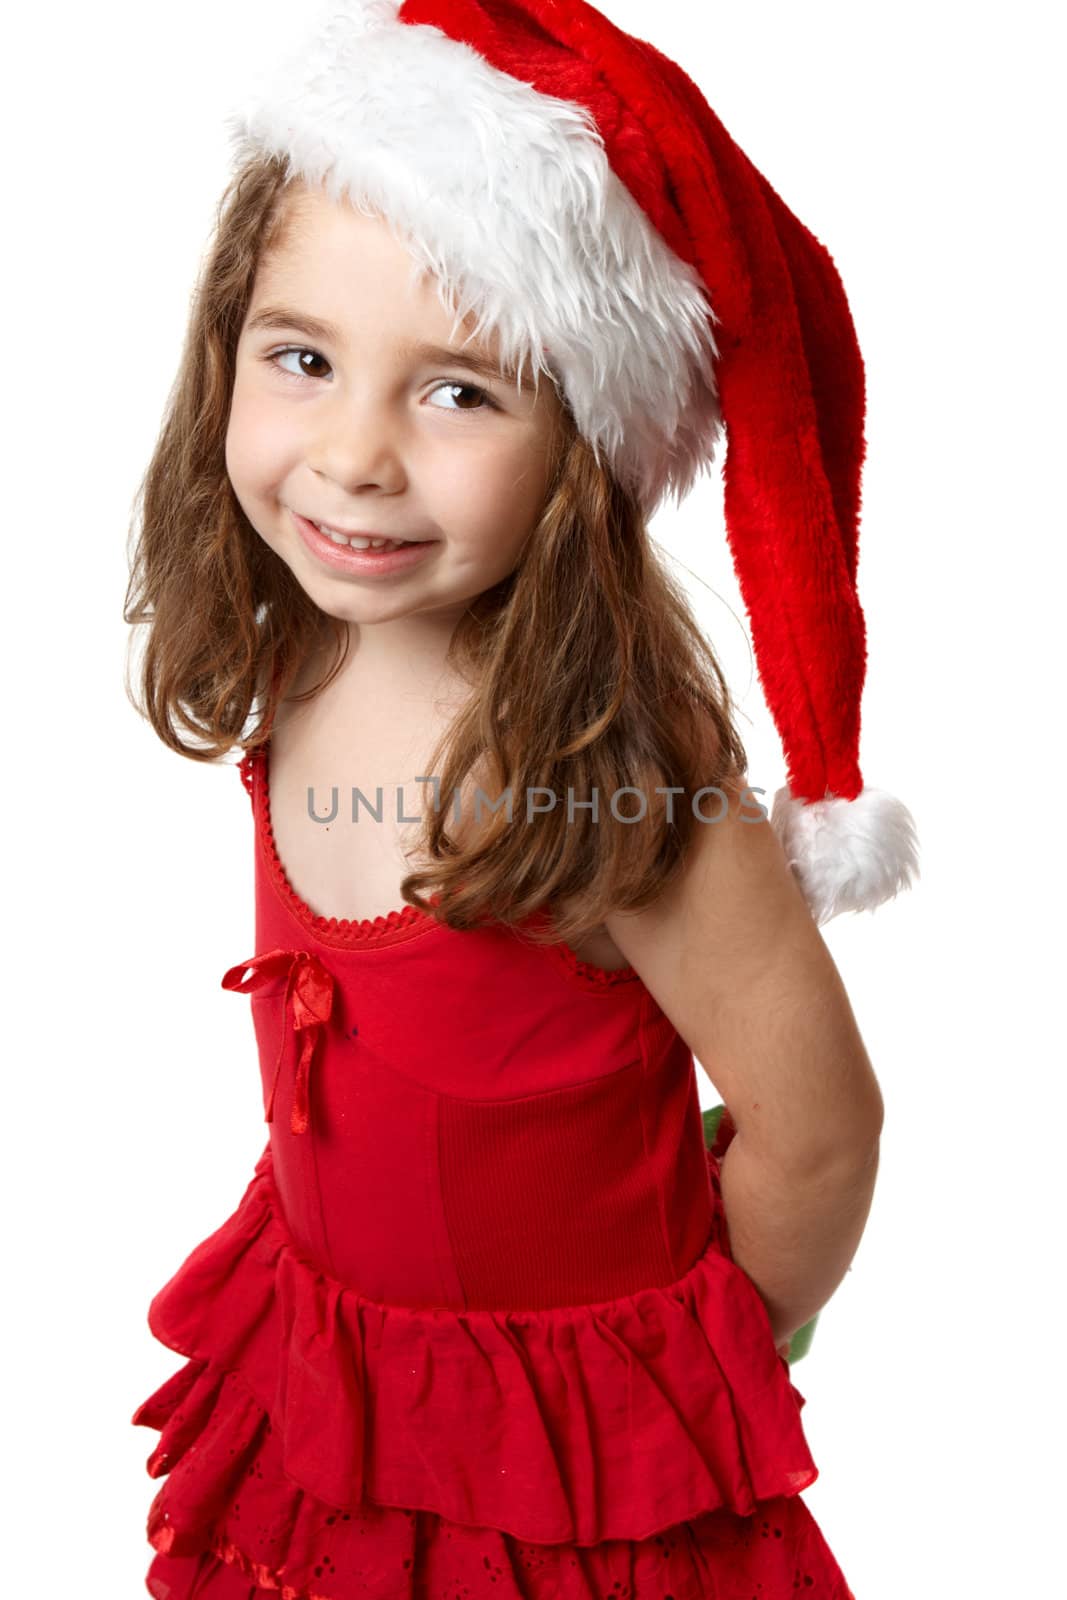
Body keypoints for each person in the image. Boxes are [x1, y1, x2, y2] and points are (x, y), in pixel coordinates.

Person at [125, 2, 920, 1595]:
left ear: (584, 451)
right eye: (303, 359)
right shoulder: (310, 646)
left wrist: (676, 1376)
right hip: (339, 1384)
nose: (352, 455)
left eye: (461, 394)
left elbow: (819, 1131)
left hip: (574, 1477)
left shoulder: (605, 759)